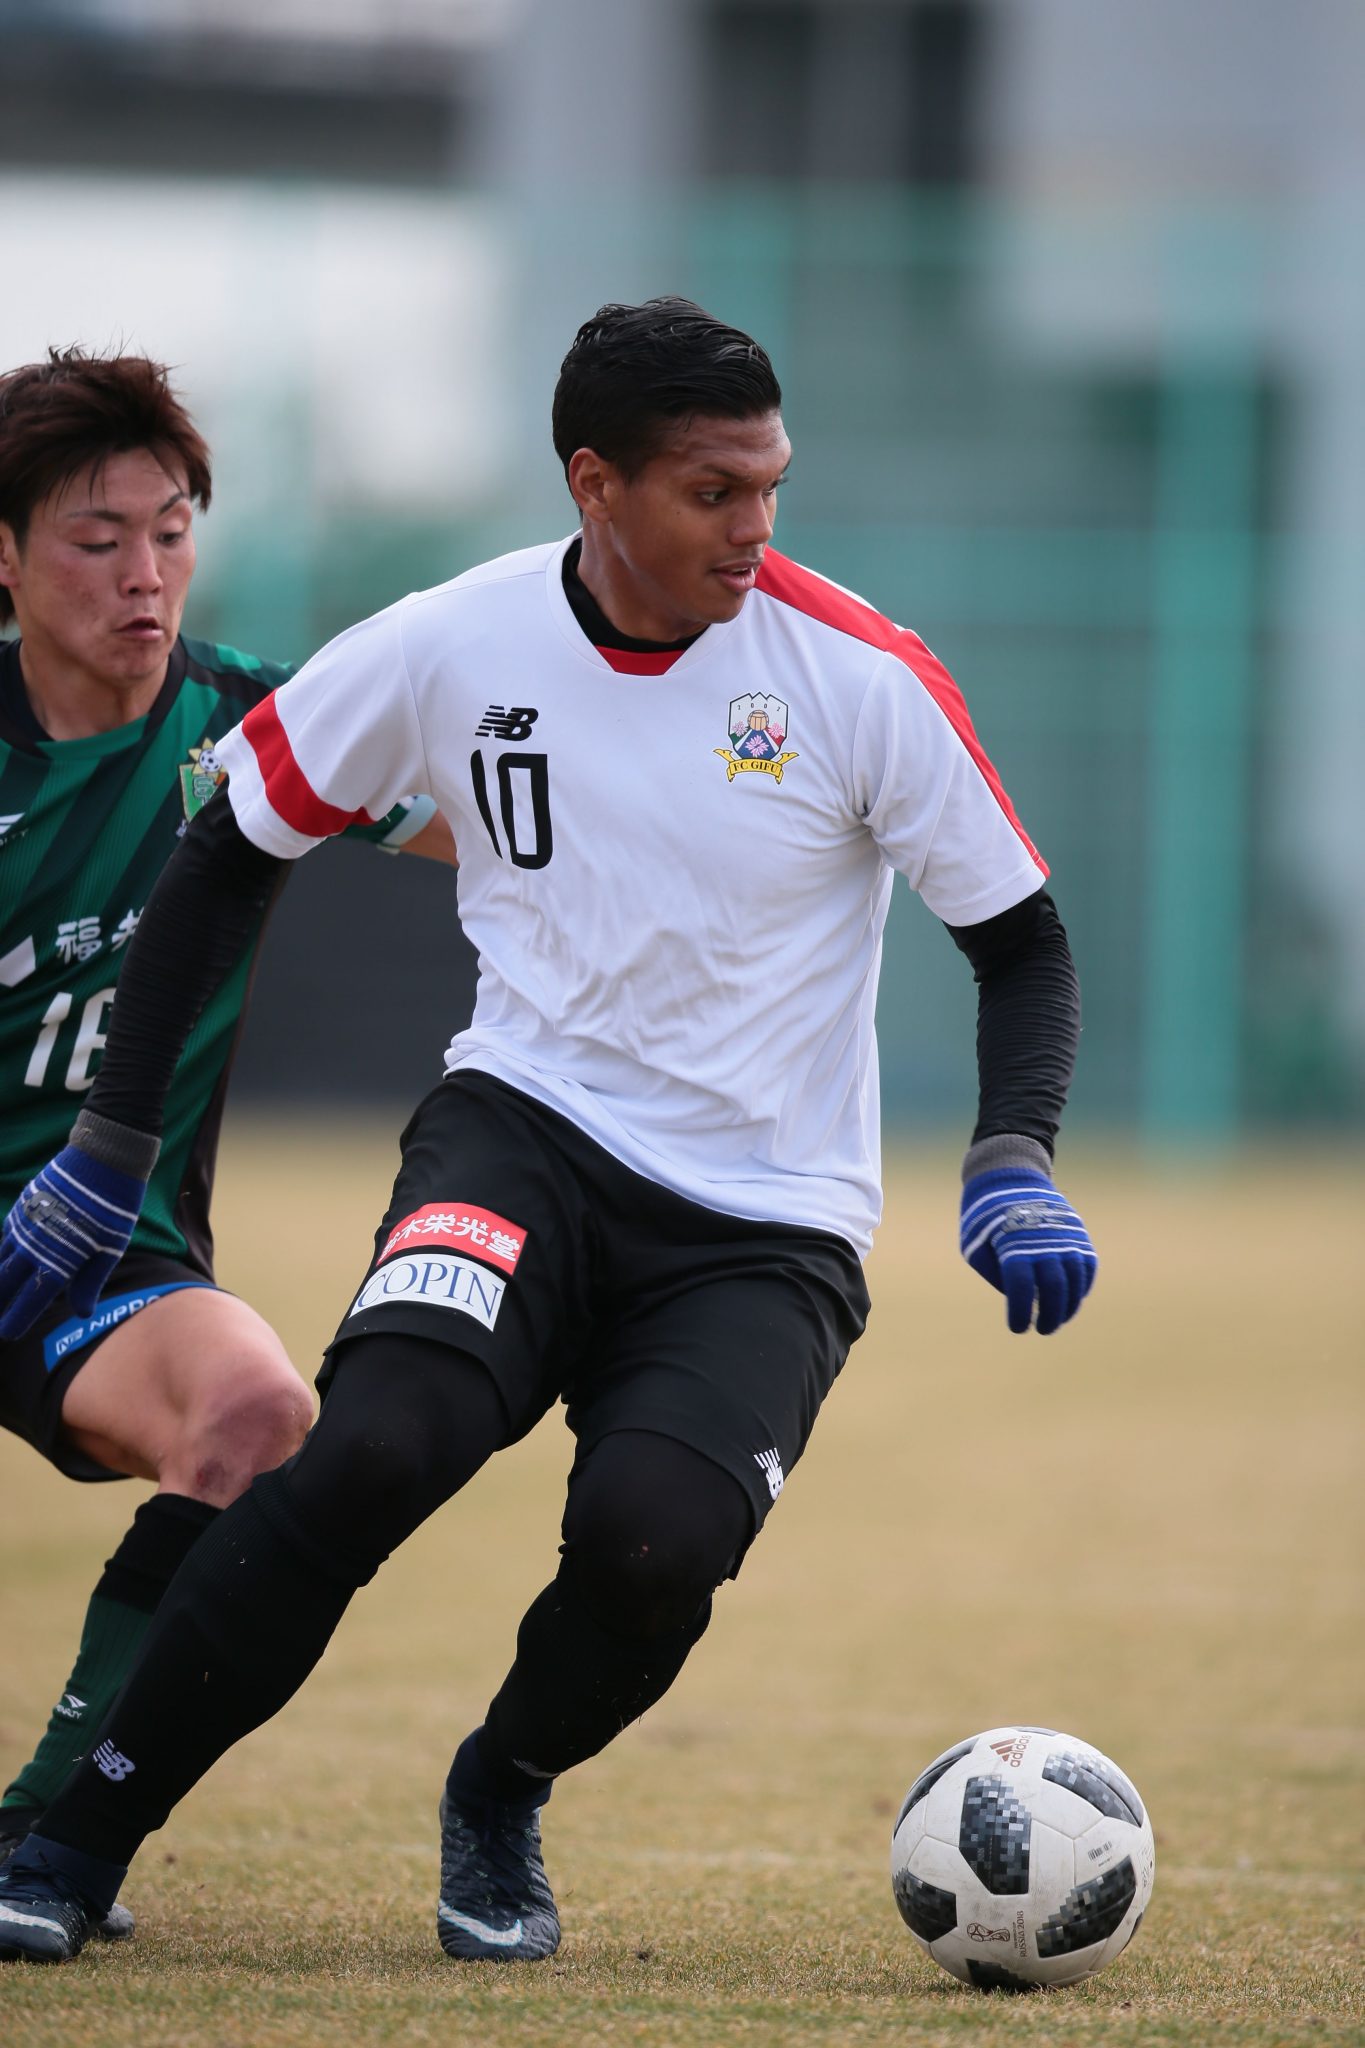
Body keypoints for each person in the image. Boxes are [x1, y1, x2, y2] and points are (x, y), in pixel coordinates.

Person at [0, 300, 1096, 1968]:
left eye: (770, 486)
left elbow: (1020, 942)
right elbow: (231, 847)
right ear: (597, 484)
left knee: (655, 1544)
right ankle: (76, 1842)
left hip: (766, 1217)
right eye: (713, 491)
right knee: (367, 1445)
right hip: (521, 1135)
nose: (754, 527)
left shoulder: (859, 674)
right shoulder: (451, 640)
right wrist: (112, 1140)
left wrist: (1011, 1154)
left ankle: (500, 1788)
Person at [0, 348, 454, 1936]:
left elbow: (500, 823)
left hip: (100, 1252)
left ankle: (45, 1827)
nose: (145, 572)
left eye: (172, 530)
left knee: (256, 1414)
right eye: (96, 536)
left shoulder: (257, 724)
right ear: (5, 556)